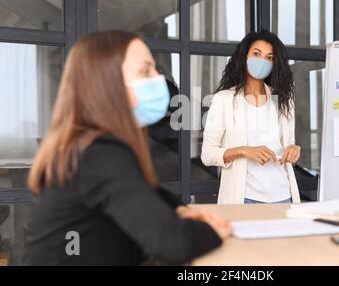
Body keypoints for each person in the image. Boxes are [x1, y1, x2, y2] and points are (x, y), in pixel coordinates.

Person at [25, 30, 231, 265]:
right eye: (145, 71)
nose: (158, 79)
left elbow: (146, 192)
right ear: (107, 84)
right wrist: (212, 229)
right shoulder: (101, 153)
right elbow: (173, 243)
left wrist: (181, 210)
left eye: (156, 70)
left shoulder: (88, 144)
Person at [201, 30, 301, 204]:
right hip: (245, 199)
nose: (262, 61)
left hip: (284, 196)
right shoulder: (224, 99)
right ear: (244, 56)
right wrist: (244, 150)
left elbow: (289, 143)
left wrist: (294, 149)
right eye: (256, 54)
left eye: (269, 57)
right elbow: (208, 155)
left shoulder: (284, 100)